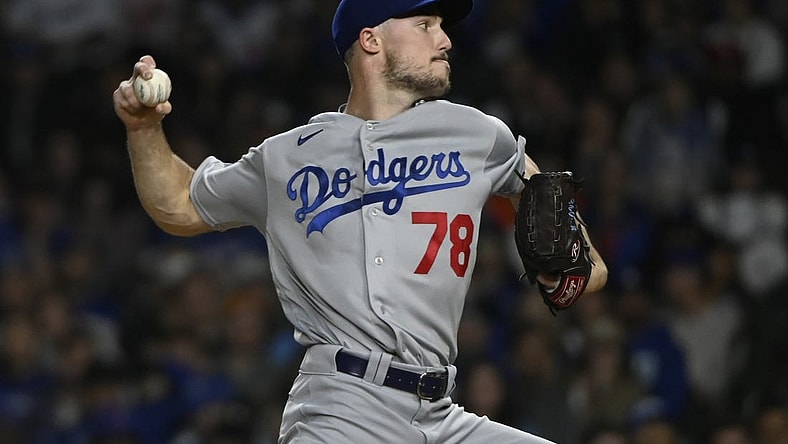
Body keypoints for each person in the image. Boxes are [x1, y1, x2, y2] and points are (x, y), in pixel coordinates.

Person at [112, 0, 608, 442]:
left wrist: (570, 265)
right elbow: (179, 204)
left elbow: (579, 257)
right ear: (371, 39)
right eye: (425, 23)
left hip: (440, 413)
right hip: (340, 410)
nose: (445, 38)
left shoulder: (478, 134)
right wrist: (144, 128)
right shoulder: (284, 159)